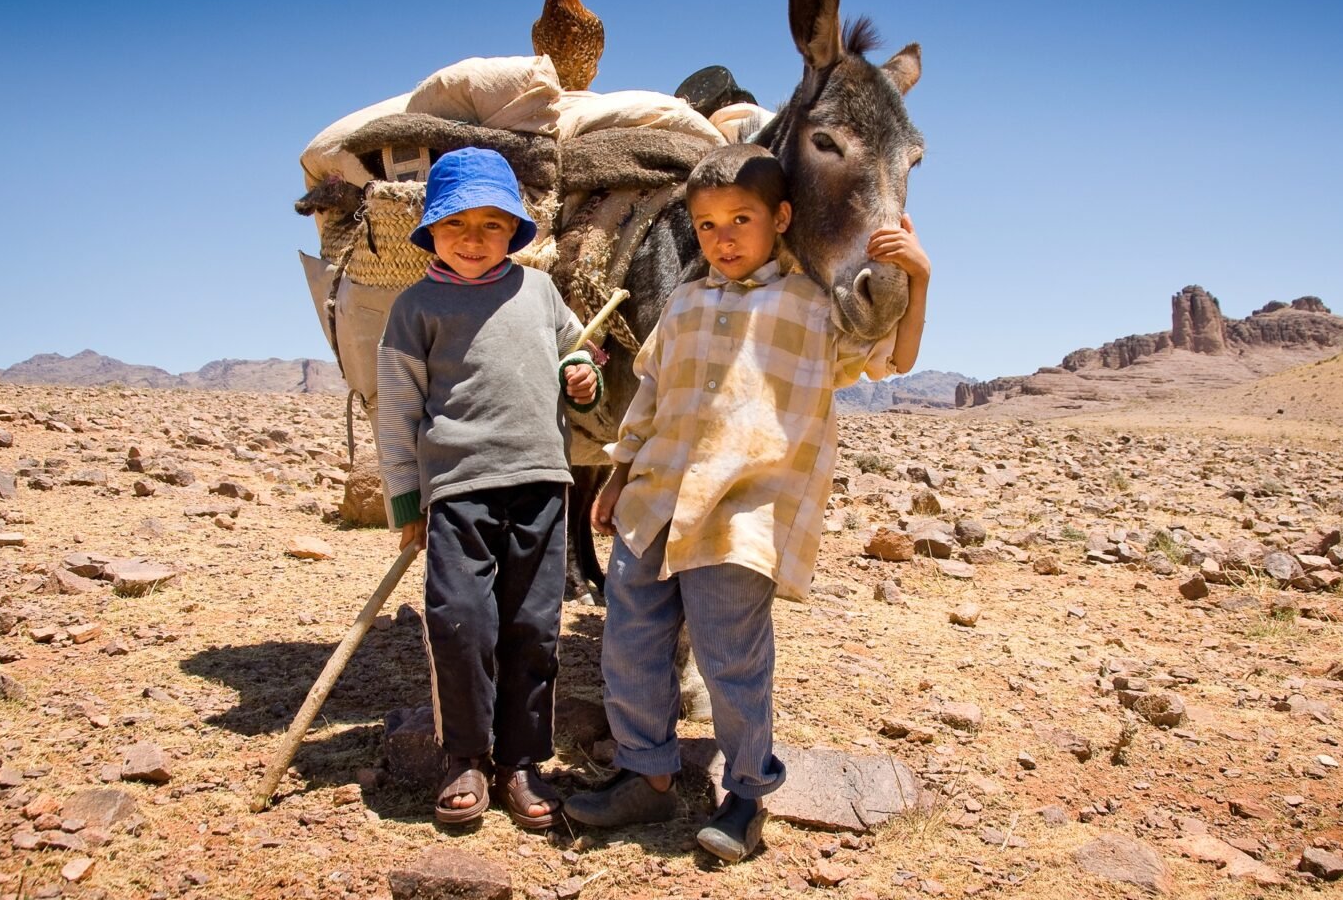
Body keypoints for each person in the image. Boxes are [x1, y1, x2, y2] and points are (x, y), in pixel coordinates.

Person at [564, 144, 930, 861]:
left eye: (740, 220)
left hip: (742, 516)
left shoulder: (814, 307)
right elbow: (649, 397)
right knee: (630, 641)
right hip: (655, 499)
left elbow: (896, 358)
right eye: (706, 225)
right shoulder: (684, 303)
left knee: (730, 657)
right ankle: (646, 774)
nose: (722, 238)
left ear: (781, 218)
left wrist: (920, 277)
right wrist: (616, 477)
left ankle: (747, 794)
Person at [376, 147, 602, 830]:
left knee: (533, 627)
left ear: (513, 230)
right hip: (458, 489)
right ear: (430, 229)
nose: (473, 239)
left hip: (541, 483)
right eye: (456, 223)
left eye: (491, 224)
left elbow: (576, 351)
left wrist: (582, 375)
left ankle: (520, 762)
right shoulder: (415, 308)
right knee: (460, 622)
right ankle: (466, 756)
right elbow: (397, 411)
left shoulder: (540, 291)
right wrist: (407, 500)